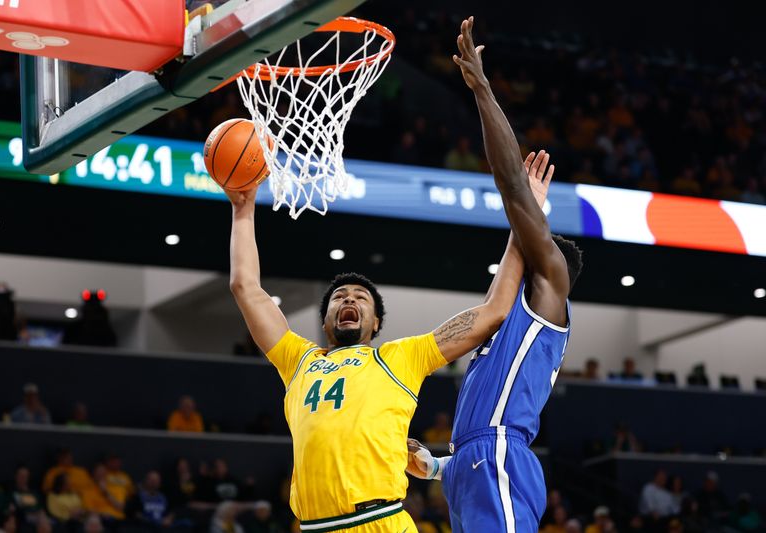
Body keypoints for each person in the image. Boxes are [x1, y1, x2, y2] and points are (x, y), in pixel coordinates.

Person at [225, 70, 562, 533]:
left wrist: (527, 218)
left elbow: (493, 312)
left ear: (375, 321)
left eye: (360, 298)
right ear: (325, 320)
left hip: (381, 522)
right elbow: (247, 289)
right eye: (340, 297)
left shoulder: (399, 358)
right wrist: (242, 210)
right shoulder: (297, 361)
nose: (349, 300)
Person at [407, 17, 582, 533]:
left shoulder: (550, 287)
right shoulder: (507, 314)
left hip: (498, 456)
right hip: (470, 464)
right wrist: (439, 465)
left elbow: (510, 185)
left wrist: (482, 88)